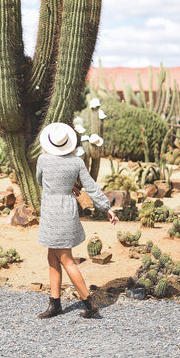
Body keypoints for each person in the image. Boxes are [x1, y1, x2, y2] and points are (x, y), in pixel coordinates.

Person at [36, 122, 119, 319]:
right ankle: (54, 303)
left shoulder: (43, 160)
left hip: (51, 213)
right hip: (68, 212)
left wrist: (59, 187)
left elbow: (41, 181)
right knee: (53, 257)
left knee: (66, 259)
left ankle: (89, 303)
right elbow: (90, 186)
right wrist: (107, 208)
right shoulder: (77, 162)